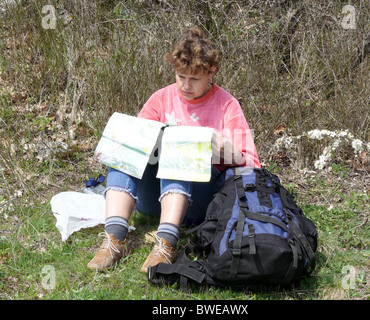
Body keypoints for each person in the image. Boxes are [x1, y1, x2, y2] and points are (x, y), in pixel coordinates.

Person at [87, 27, 261, 272]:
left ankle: (166, 243)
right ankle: (114, 239)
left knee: (182, 148)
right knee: (125, 144)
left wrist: (224, 150)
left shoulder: (227, 104)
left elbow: (252, 163)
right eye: (181, 77)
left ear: (211, 73)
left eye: (194, 79)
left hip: (198, 201)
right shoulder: (161, 97)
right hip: (152, 197)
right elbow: (136, 140)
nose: (185, 86)